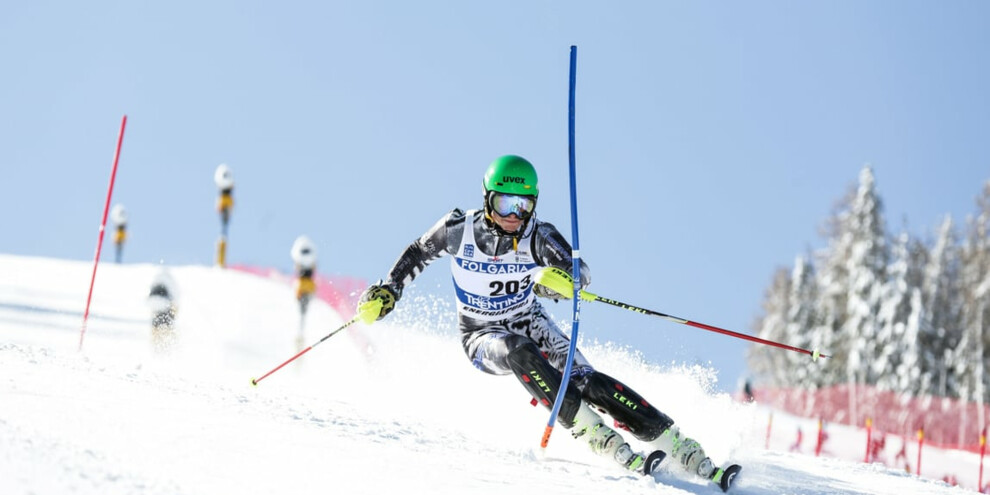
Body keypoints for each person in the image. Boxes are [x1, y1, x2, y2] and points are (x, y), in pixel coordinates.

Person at [357, 155, 738, 491]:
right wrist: (389, 290)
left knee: (589, 381)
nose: (512, 216)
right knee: (519, 352)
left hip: (529, 319)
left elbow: (580, 273)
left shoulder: (538, 235)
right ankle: (594, 433)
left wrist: (555, 283)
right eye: (504, 203)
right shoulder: (460, 229)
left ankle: (677, 443)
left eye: (522, 206)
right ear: (487, 199)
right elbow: (418, 251)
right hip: (481, 335)